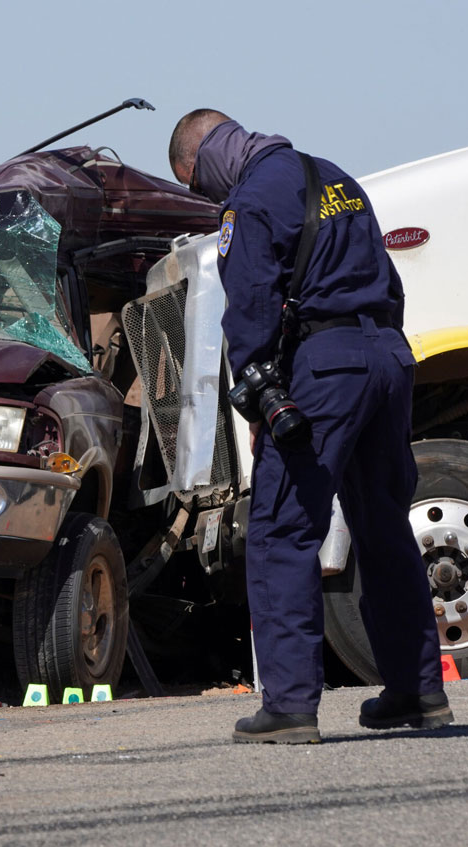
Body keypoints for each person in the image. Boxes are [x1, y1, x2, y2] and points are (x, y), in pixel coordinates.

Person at [168, 109, 451, 744]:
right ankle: (418, 692)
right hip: (388, 356)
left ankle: (290, 705)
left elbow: (252, 308)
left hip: (326, 370)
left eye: (194, 184)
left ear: (203, 158)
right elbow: (388, 281)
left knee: (281, 531)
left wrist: (262, 397)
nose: (205, 198)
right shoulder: (335, 178)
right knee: (382, 528)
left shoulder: (250, 200)